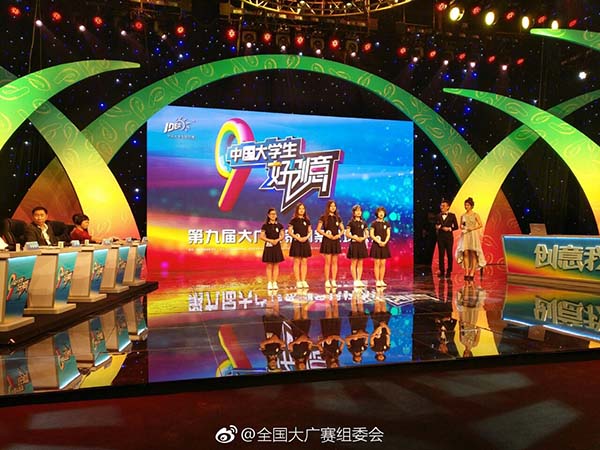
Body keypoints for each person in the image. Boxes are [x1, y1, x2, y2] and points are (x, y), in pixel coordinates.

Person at [455, 197, 486, 281]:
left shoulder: (475, 214)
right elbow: (460, 225)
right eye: (465, 205)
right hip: (465, 234)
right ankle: (466, 272)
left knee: (473, 252)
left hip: (472, 234)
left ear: (471, 206)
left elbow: (480, 224)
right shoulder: (463, 215)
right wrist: (463, 227)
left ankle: (472, 272)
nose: (466, 206)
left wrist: (472, 228)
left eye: (468, 205)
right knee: (465, 252)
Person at [316, 200, 344, 288]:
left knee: (335, 262)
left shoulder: (338, 218)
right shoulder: (323, 217)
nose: (333, 208)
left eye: (334, 206)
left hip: (335, 240)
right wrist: (326, 235)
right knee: (328, 262)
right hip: (327, 241)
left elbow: (343, 229)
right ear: (328, 207)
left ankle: (334, 280)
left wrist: (338, 235)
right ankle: (327, 280)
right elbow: (318, 229)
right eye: (331, 206)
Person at [288, 203, 312, 288]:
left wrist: (306, 237)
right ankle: (298, 281)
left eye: (303, 209)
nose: (302, 210)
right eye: (300, 209)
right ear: (297, 210)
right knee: (297, 261)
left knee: (304, 261)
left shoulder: (307, 220)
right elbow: (290, 231)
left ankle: (303, 280)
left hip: (305, 242)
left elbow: (310, 231)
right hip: (296, 242)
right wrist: (297, 237)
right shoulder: (293, 220)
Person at [260, 208, 285, 290]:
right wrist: (270, 240)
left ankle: (274, 282)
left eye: (274, 214)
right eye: (271, 214)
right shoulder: (265, 226)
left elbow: (282, 236)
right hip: (268, 246)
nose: (273, 215)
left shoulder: (279, 225)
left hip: (277, 245)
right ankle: (269, 282)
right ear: (268, 215)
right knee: (269, 265)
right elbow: (261, 236)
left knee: (276, 264)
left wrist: (277, 240)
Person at [345, 205, 369, 288]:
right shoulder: (351, 222)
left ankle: (359, 279)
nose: (358, 212)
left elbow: (367, 234)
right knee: (354, 262)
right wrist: (354, 237)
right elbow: (347, 234)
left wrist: (363, 238)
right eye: (357, 211)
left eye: (360, 211)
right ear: (354, 212)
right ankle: (355, 280)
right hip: (354, 243)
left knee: (360, 262)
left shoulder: (363, 223)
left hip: (361, 243)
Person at [435, 199, 458, 279]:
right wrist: (438, 227)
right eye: (441, 206)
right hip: (440, 237)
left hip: (449, 237)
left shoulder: (452, 215)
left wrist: (449, 228)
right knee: (441, 254)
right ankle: (441, 271)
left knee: (449, 254)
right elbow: (436, 225)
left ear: (448, 207)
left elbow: (456, 226)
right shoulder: (438, 216)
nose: (442, 207)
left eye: (444, 206)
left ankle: (449, 270)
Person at [369, 207, 391, 287]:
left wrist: (385, 242)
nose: (381, 214)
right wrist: (378, 242)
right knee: (377, 263)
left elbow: (388, 234)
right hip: (376, 245)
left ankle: (381, 280)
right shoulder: (374, 223)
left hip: (384, 245)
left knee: (383, 263)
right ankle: (377, 280)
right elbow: (371, 234)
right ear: (377, 214)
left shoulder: (387, 223)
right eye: (379, 212)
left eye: (382, 212)